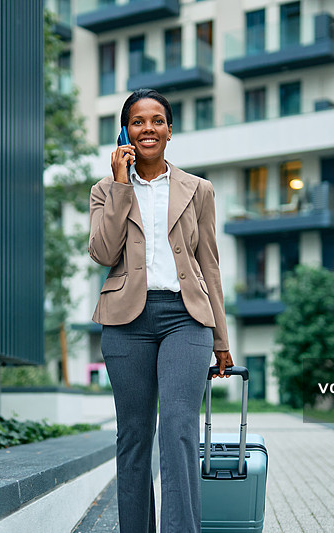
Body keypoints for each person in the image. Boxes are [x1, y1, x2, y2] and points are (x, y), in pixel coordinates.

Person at [88, 88, 232, 532]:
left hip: (186, 318)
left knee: (177, 429)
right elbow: (102, 251)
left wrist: (222, 341)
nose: (147, 128)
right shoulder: (104, 190)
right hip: (124, 323)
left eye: (156, 120)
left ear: (170, 129)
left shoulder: (198, 190)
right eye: (137, 121)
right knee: (133, 437)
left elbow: (209, 263)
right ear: (125, 131)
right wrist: (118, 184)